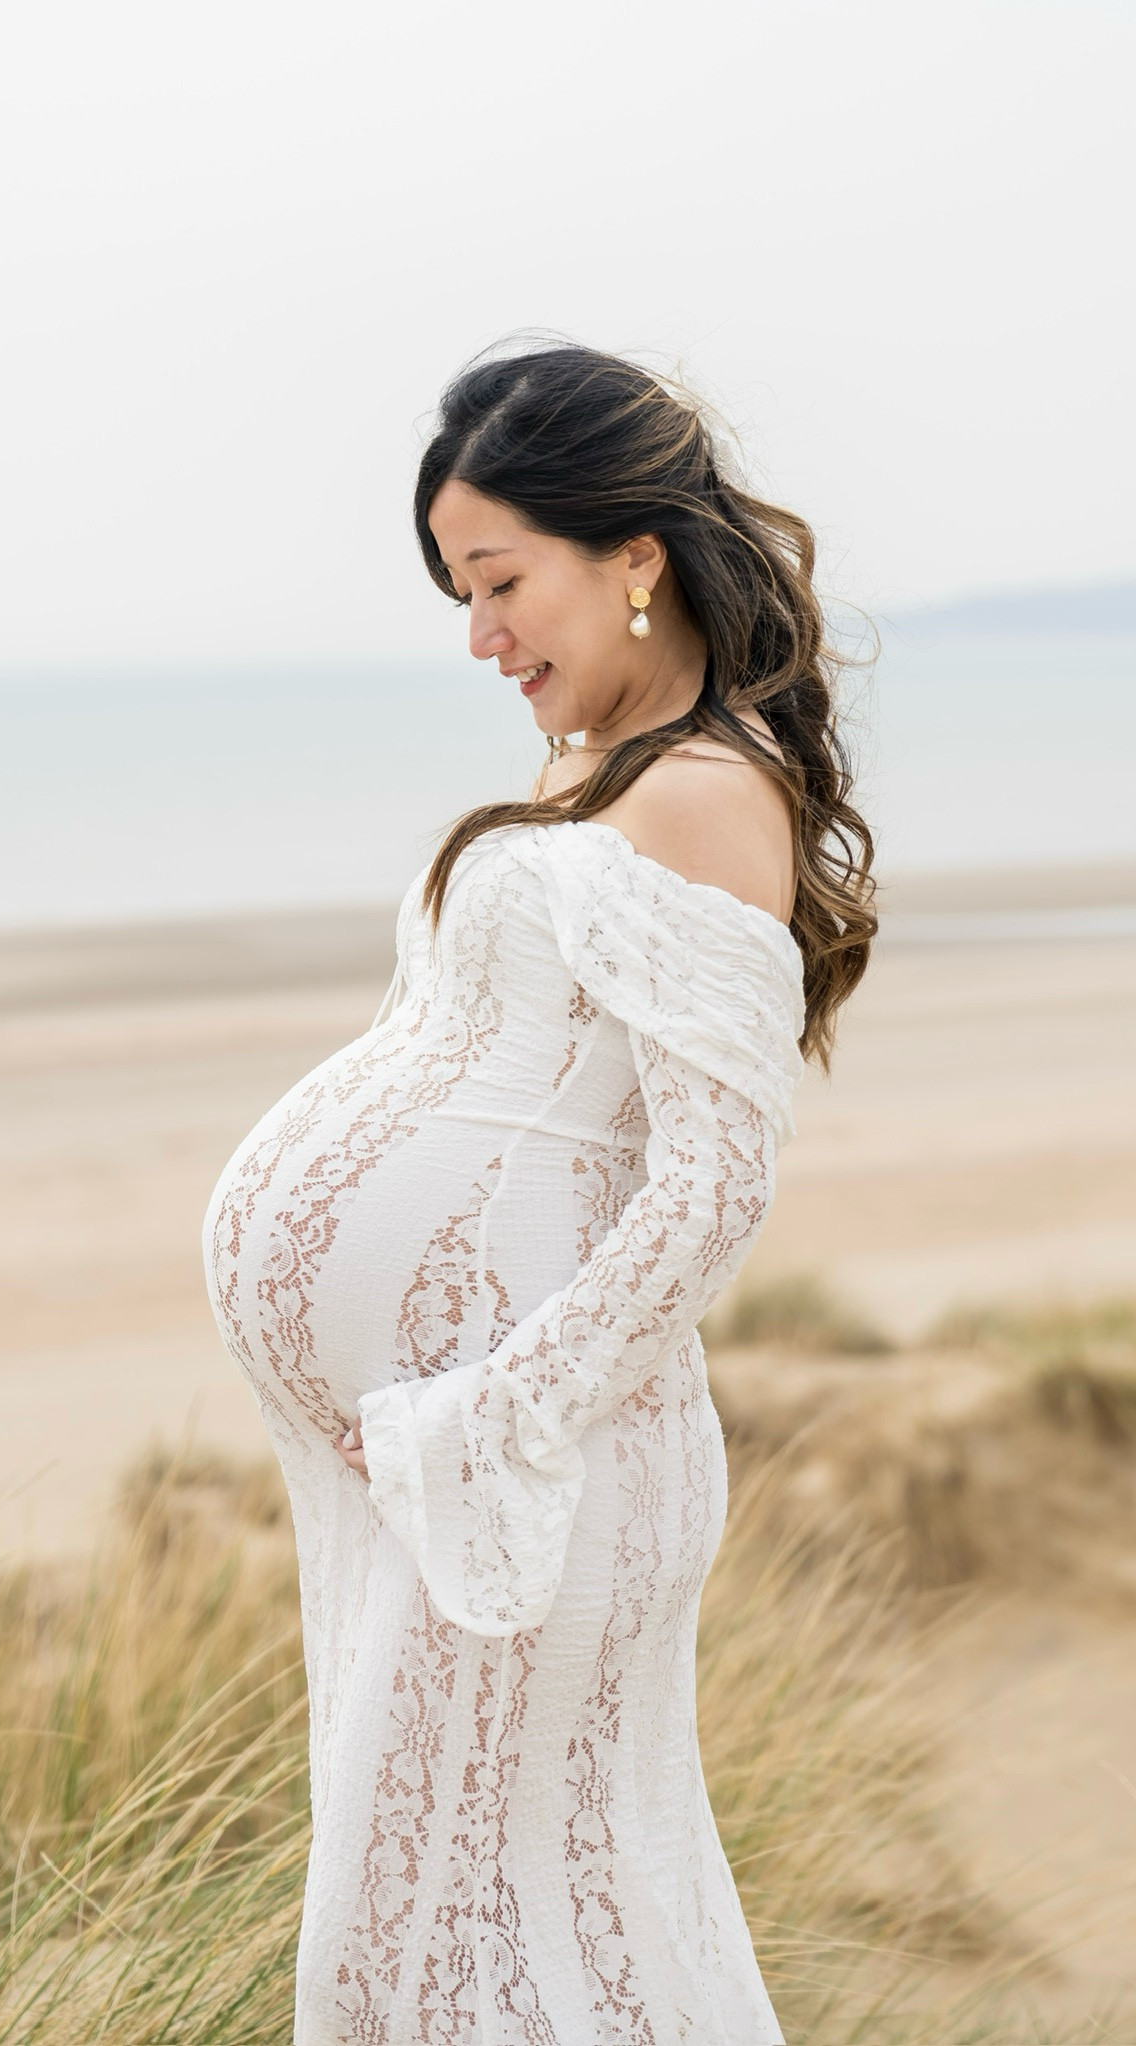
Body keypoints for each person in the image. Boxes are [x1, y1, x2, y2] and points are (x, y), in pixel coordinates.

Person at [202, 341, 877, 2045]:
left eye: (502, 581)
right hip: (448, 1470)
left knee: (522, 1939)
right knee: (446, 1923)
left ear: (633, 557)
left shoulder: (711, 794)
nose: (481, 634)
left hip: (525, 1477)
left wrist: (496, 1415)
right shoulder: (604, 777)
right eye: (460, 592)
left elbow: (719, 1182)